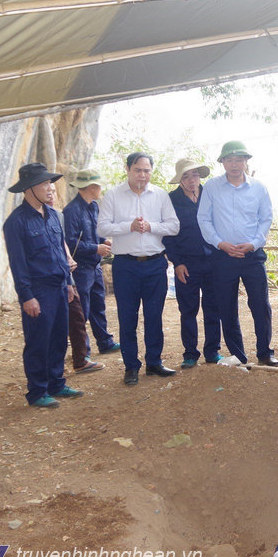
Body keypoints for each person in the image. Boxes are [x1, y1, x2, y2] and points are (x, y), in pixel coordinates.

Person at [2, 163, 83, 408]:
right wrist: (27, 296)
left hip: (59, 286)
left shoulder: (53, 215)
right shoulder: (16, 222)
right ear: (28, 189)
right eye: (44, 184)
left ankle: (56, 383)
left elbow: (60, 251)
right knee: (38, 340)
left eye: (50, 183)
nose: (50, 188)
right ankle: (37, 391)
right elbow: (18, 264)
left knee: (58, 337)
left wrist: (68, 283)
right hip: (38, 290)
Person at [97, 152, 180, 385]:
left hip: (155, 264)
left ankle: (154, 362)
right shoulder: (113, 195)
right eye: (137, 170)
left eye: (146, 171)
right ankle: (131, 367)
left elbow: (174, 226)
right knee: (127, 318)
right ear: (127, 169)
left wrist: (151, 226)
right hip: (125, 266)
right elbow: (102, 228)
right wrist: (129, 226)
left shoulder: (160, 195)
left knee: (154, 316)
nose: (142, 175)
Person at [197, 140, 278, 367]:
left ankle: (265, 352)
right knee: (227, 307)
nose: (234, 164)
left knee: (260, 305)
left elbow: (265, 219)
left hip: (252, 256)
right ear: (223, 162)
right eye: (230, 160)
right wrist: (220, 243)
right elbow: (203, 219)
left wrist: (254, 243)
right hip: (223, 256)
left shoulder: (259, 188)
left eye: (239, 160)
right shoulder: (212, 187)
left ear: (246, 162)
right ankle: (238, 356)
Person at [163, 158, 222, 369]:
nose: (191, 180)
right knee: (188, 310)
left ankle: (212, 351)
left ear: (200, 176)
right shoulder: (171, 200)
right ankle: (190, 354)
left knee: (213, 308)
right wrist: (177, 262)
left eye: (195, 175)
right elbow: (168, 235)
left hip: (212, 261)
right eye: (186, 176)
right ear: (179, 179)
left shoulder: (210, 195)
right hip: (186, 264)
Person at [63, 169, 119, 359]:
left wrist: (104, 241)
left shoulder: (94, 206)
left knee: (98, 305)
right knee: (82, 311)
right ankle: (82, 353)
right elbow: (70, 242)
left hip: (94, 266)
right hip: (80, 268)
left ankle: (105, 342)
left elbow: (97, 231)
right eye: (98, 186)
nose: (100, 189)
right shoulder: (71, 211)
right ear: (91, 187)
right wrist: (96, 248)